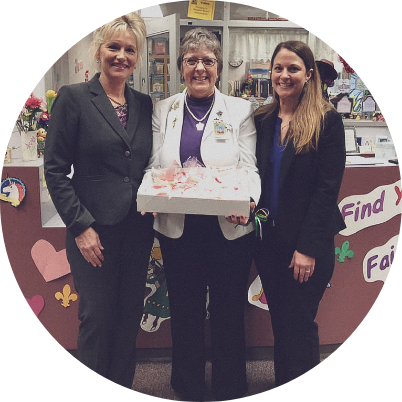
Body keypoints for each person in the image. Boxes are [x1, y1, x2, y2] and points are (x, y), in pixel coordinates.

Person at [146, 28, 261, 401]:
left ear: (217, 67)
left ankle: (230, 385)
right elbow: (153, 167)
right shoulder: (163, 110)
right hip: (178, 230)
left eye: (208, 60)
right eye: (192, 60)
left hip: (229, 229)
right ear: (181, 67)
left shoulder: (241, 110)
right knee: (185, 310)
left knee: (228, 312)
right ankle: (188, 384)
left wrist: (249, 202)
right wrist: (149, 193)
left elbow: (250, 169)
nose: (200, 68)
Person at [44, 13, 154, 389]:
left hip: (137, 229)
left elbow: (148, 165)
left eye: (129, 49)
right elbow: (55, 171)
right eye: (114, 47)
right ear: (98, 50)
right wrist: (80, 227)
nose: (121, 55)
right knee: (97, 317)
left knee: (128, 317)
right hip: (92, 230)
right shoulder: (74, 98)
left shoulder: (143, 103)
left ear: (137, 57)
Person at [254, 41, 346, 387]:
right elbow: (255, 179)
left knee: (300, 324)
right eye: (278, 68)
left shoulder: (327, 121)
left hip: (308, 246)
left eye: (293, 69)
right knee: (281, 322)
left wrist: (307, 248)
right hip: (270, 241)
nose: (284, 75)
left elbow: (326, 191)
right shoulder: (262, 119)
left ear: (308, 75)